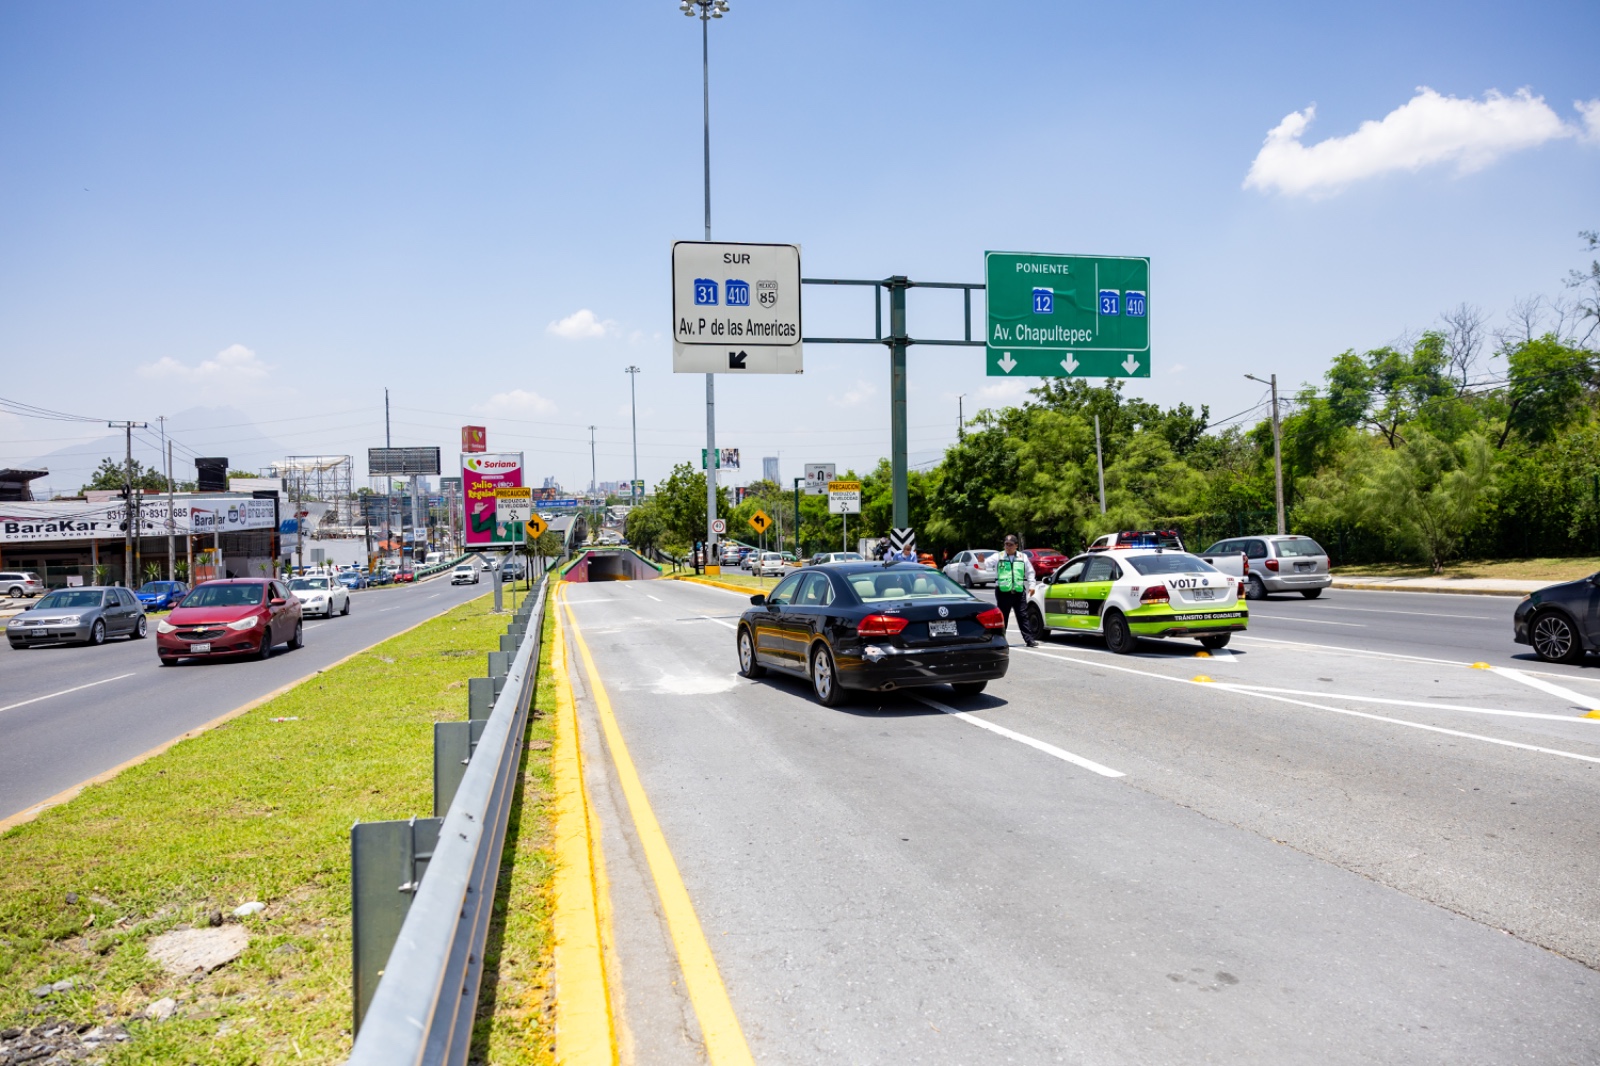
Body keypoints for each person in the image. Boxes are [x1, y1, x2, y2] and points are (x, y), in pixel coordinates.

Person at [990, 535, 1037, 647]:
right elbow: (984, 565)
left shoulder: (1022, 557)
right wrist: (981, 562)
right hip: (1003, 592)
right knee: (1003, 617)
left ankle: (1029, 640)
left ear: (1016, 545)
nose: (1008, 547)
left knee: (1023, 616)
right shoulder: (998, 556)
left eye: (1011, 544)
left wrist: (1032, 585)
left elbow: (1030, 572)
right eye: (1006, 544)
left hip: (1018, 591)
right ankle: (1001, 640)